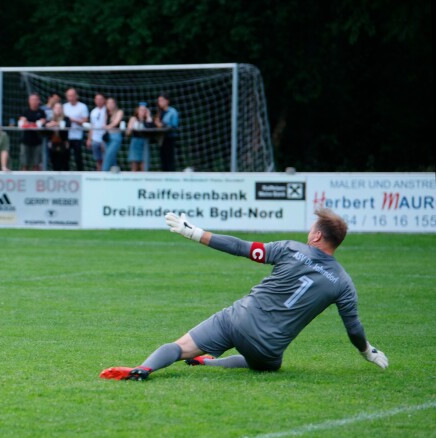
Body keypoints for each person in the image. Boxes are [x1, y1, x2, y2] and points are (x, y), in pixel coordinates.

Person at [100, 209, 389, 381]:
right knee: (263, 365)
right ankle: (209, 362)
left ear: (315, 237)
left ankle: (144, 368)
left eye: (310, 230)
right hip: (267, 345)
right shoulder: (343, 282)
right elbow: (353, 328)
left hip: (236, 319)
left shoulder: (289, 248)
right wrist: (368, 352)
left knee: (179, 346)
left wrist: (194, 233)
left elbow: (240, 247)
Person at [17, 94, 47, 171]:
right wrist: (33, 124)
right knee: (24, 164)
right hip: (25, 140)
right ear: (29, 101)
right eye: (32, 100)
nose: (34, 102)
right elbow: (22, 122)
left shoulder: (42, 112)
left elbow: (42, 123)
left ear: (38, 101)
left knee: (36, 164)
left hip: (37, 141)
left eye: (35, 99)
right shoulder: (25, 111)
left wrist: (30, 124)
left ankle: (36, 181)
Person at [62, 88, 88, 171]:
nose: (70, 97)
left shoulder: (82, 106)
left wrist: (74, 120)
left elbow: (85, 120)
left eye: (72, 95)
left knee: (78, 157)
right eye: (68, 95)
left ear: (76, 96)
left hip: (77, 136)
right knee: (65, 157)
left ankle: (81, 174)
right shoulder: (64, 106)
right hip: (66, 136)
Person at [155, 93, 179, 171]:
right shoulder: (159, 112)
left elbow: (174, 125)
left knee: (170, 159)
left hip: (170, 138)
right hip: (161, 138)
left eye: (161, 100)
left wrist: (162, 125)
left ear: (167, 101)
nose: (159, 102)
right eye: (159, 101)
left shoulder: (173, 112)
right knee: (163, 159)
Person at [101, 97, 125, 171]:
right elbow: (104, 126)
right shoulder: (106, 113)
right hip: (107, 137)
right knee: (112, 158)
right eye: (108, 103)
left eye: (112, 103)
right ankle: (115, 176)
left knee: (108, 156)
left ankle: (103, 174)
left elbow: (115, 123)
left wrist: (107, 127)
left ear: (115, 104)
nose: (110, 105)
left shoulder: (119, 112)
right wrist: (103, 140)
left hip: (116, 136)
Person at [127, 102, 152, 172]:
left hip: (144, 142)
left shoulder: (148, 119)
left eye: (144, 110)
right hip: (135, 142)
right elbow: (127, 133)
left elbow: (150, 129)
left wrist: (148, 116)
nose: (142, 111)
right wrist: (131, 126)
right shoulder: (133, 119)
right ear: (137, 110)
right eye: (141, 110)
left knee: (144, 166)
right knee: (134, 165)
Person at [45, 102, 70, 171]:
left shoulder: (66, 119)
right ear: (53, 109)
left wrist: (56, 124)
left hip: (63, 144)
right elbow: (44, 130)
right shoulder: (50, 119)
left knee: (65, 164)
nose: (58, 110)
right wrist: (47, 125)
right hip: (53, 144)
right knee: (55, 164)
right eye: (56, 108)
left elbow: (67, 127)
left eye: (59, 108)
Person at [87, 93, 108, 171]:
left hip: (104, 139)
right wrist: (89, 139)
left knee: (106, 159)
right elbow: (92, 126)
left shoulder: (107, 111)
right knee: (98, 159)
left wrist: (104, 139)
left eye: (100, 99)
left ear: (104, 100)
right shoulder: (93, 112)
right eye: (97, 99)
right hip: (95, 139)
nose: (99, 101)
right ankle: (99, 175)